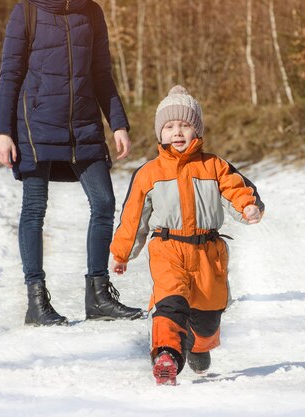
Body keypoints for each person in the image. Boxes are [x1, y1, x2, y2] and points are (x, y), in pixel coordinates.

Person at [0, 0, 142, 326]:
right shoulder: (27, 11)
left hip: (84, 126)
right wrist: (3, 131)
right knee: (34, 209)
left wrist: (118, 123)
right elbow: (11, 74)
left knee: (104, 201)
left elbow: (102, 72)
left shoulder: (92, 12)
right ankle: (36, 300)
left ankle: (99, 296)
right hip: (35, 126)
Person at [110, 85, 265, 385]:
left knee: (207, 320)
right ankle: (167, 355)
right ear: (160, 133)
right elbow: (133, 217)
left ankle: (198, 345)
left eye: (184, 125)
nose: (177, 132)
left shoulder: (214, 166)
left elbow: (237, 190)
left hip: (209, 252)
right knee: (169, 304)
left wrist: (249, 208)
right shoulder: (149, 173)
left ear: (197, 131)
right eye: (169, 126)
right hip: (167, 249)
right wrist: (122, 254)